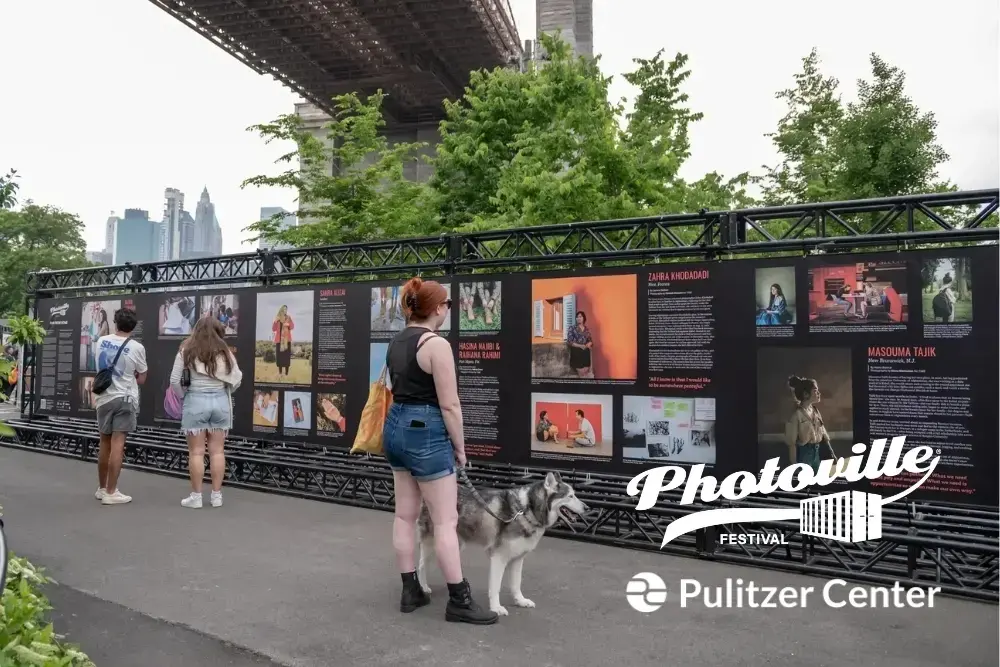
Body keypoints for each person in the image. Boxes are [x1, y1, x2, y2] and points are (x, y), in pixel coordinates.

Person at [382, 277, 497, 625]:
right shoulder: (436, 345)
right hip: (427, 432)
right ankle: (459, 599)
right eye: (447, 304)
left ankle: (409, 590)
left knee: (405, 515)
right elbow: (450, 405)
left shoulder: (396, 341)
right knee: (447, 520)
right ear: (436, 309)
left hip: (395, 428)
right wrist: (460, 448)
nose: (449, 309)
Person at [169, 317, 242, 508]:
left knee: (196, 452)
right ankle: (217, 496)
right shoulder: (225, 352)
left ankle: (196, 497)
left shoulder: (186, 350)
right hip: (220, 403)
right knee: (217, 451)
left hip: (195, 402)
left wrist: (185, 396)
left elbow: (175, 380)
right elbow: (236, 379)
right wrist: (224, 391)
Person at [94, 308, 147, 506]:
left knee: (104, 443)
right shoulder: (136, 347)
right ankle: (111, 491)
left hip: (104, 398)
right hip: (125, 398)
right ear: (133, 326)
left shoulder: (101, 341)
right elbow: (142, 378)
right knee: (118, 444)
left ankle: (101, 488)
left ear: (115, 323)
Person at [783, 375, 836, 472]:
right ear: (806, 394)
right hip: (804, 455)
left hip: (817, 452)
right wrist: (794, 465)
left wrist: (831, 453)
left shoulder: (815, 411)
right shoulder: (796, 415)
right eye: (815, 391)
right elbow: (792, 443)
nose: (819, 393)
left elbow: (823, 433)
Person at [566, 311, 593, 377]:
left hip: (585, 352)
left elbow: (590, 340)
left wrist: (589, 343)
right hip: (576, 352)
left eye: (580, 316)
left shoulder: (586, 329)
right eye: (577, 317)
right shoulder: (572, 328)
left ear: (584, 318)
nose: (578, 318)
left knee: (586, 371)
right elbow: (569, 341)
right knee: (581, 372)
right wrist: (580, 346)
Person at [272, 305, 294, 376]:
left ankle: (287, 373)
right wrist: (275, 321)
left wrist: (288, 324)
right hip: (279, 341)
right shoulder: (278, 318)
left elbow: (292, 326)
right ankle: (280, 373)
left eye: (286, 309)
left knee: (286, 357)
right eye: (284, 309)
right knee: (280, 357)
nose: (285, 310)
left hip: (287, 341)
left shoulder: (288, 317)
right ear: (281, 310)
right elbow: (273, 329)